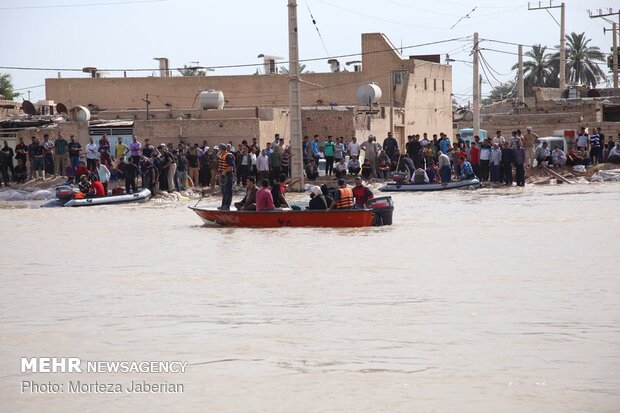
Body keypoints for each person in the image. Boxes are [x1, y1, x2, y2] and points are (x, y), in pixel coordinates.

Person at [217, 144, 235, 210]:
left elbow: (231, 166)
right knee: (224, 191)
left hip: (228, 175)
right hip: (223, 176)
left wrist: (224, 171)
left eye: (219, 149)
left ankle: (227, 206)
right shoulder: (222, 155)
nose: (218, 150)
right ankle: (223, 205)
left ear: (222, 149)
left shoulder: (228, 156)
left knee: (227, 191)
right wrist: (219, 173)